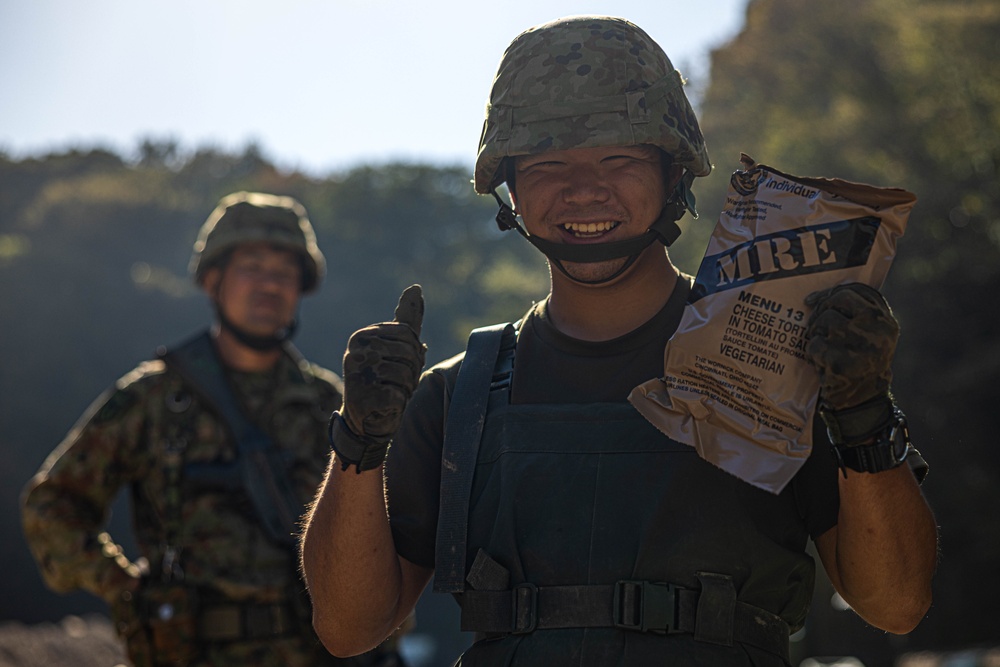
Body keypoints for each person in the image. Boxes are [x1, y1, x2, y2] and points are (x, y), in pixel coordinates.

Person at [301, 16, 938, 667]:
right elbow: (350, 626)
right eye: (549, 163)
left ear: (672, 175)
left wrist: (862, 413)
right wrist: (360, 439)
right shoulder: (456, 398)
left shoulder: (774, 358)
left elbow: (895, 602)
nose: (584, 188)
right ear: (510, 189)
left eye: (618, 158)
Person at [22, 192, 406, 667]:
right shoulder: (155, 398)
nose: (269, 284)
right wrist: (123, 587)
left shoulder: (333, 405)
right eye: (252, 266)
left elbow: (386, 533)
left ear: (300, 289)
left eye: (284, 273)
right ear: (212, 280)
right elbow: (51, 505)